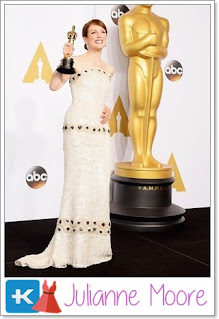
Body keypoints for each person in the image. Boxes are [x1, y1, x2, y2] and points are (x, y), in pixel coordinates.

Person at [15, 19, 115, 269]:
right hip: (77, 130)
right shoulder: (76, 61)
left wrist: (108, 110)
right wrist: (63, 59)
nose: (99, 35)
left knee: (98, 187)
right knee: (78, 186)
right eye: (93, 32)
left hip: (100, 132)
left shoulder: (109, 68)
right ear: (85, 39)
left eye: (102, 32)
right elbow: (54, 85)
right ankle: (73, 249)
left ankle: (93, 249)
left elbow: (99, 97)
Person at [118, 5, 169, 168]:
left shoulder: (162, 21)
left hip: (156, 69)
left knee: (152, 112)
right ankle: (139, 155)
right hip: (139, 67)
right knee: (139, 109)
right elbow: (127, 49)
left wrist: (149, 49)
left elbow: (163, 51)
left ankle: (148, 154)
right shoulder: (128, 18)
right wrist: (148, 40)